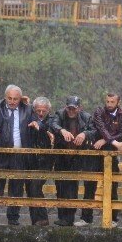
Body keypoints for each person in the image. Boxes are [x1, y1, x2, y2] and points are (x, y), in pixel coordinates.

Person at [0, 84, 32, 226]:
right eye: (9, 98)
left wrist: (39, 125)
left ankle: (13, 217)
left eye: (15, 99)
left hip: (18, 154)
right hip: (0, 153)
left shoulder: (27, 109)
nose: (12, 101)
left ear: (20, 99)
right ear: (5, 97)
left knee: (16, 187)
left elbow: (41, 115)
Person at [49, 96, 96, 227]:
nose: (71, 111)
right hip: (62, 155)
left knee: (72, 187)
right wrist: (62, 130)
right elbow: (52, 124)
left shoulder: (86, 117)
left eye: (73, 109)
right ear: (65, 107)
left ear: (79, 108)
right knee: (60, 185)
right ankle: (61, 216)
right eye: (69, 108)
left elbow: (94, 131)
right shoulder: (60, 114)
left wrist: (84, 134)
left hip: (78, 156)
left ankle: (69, 218)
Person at [91, 92, 122, 228]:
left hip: (111, 153)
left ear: (118, 102)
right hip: (96, 151)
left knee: (113, 186)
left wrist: (106, 140)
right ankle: (86, 217)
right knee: (90, 184)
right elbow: (101, 128)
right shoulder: (99, 111)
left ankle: (113, 218)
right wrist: (115, 142)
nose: (109, 104)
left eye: (112, 102)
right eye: (107, 101)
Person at [25, 96, 54, 226]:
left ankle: (43, 218)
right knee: (30, 189)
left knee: (36, 186)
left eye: (44, 111)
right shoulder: (30, 118)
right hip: (31, 160)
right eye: (38, 111)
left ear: (49, 110)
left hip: (45, 161)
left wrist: (39, 126)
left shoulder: (52, 120)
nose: (41, 113)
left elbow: (48, 126)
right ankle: (35, 220)